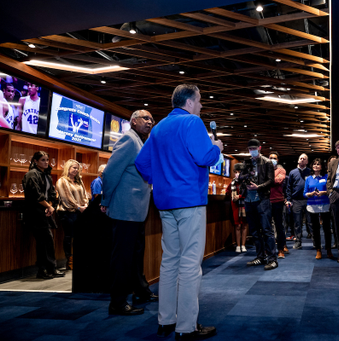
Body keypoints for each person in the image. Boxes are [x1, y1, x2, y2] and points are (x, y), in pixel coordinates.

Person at [135, 84, 222, 340]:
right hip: (190, 201)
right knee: (190, 264)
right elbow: (205, 156)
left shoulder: (159, 127)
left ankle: (166, 321)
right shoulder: (193, 123)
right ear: (189, 103)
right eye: (200, 101)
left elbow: (142, 162)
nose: (202, 105)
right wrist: (216, 146)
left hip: (165, 202)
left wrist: (161, 181)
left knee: (170, 260)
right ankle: (186, 326)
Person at [101, 109, 157, 316]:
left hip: (137, 211)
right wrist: (106, 200)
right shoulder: (128, 140)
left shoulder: (140, 141)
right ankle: (117, 303)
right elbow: (110, 173)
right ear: (133, 122)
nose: (150, 122)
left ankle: (140, 290)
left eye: (152, 119)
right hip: (125, 210)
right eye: (145, 118)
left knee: (134, 256)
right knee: (122, 258)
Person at [22, 151, 65, 279]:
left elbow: (51, 193)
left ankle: (50, 269)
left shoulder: (47, 175)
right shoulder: (31, 174)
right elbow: (36, 195)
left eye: (47, 160)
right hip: (35, 212)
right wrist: (48, 206)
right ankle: (43, 270)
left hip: (45, 211)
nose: (46, 162)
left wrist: (50, 206)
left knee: (47, 241)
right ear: (35, 161)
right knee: (43, 241)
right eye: (43, 160)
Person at [239, 138, 277, 270]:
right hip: (249, 200)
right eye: (250, 149)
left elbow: (271, 181)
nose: (252, 151)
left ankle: (272, 259)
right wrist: (245, 179)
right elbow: (240, 178)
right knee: (255, 232)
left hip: (262, 199)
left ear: (259, 148)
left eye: (254, 149)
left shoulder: (267, 162)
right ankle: (260, 257)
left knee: (267, 230)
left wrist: (258, 187)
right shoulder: (246, 162)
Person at [56, 159, 90, 271]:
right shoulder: (62, 181)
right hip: (68, 212)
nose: (76, 170)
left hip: (81, 212)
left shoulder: (79, 180)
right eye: (74, 167)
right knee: (69, 236)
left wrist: (85, 205)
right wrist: (78, 207)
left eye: (77, 168)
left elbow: (85, 195)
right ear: (68, 168)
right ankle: (69, 260)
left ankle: (78, 258)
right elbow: (66, 198)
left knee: (80, 237)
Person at [304, 158, 334, 260]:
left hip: (325, 204)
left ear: (322, 167)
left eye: (318, 164)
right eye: (314, 164)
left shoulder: (326, 177)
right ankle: (318, 250)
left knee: (327, 229)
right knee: (315, 230)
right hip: (312, 205)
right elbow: (305, 193)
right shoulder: (308, 178)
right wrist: (311, 194)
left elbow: (330, 190)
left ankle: (329, 249)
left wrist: (324, 192)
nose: (316, 166)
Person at [285, 153, 312, 249]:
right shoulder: (293, 172)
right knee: (297, 222)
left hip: (309, 199)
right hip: (296, 200)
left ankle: (315, 241)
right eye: (301, 158)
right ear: (298, 160)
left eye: (304, 159)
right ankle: (298, 241)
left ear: (307, 161)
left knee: (310, 222)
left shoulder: (310, 172)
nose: (302, 160)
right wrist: (288, 200)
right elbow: (289, 188)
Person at [269, 151, 288, 259]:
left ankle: (280, 249)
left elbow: (278, 180)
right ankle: (269, 249)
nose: (273, 159)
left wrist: (267, 179)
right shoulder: (265, 169)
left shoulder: (281, 170)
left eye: (275, 158)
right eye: (271, 157)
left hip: (278, 201)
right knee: (267, 227)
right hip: (266, 201)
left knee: (279, 226)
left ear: (278, 160)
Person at [226, 163, 247, 253]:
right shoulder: (232, 182)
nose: (237, 174)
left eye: (239, 172)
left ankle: (243, 245)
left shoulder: (246, 182)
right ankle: (238, 245)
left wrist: (239, 196)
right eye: (236, 172)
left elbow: (248, 193)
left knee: (245, 225)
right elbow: (227, 191)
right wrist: (232, 196)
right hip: (235, 206)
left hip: (245, 205)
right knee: (237, 225)